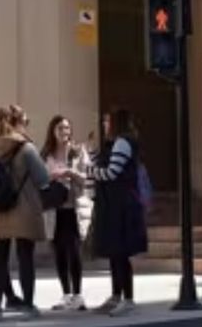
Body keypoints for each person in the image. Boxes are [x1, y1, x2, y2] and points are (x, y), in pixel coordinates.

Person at [0, 105, 50, 320]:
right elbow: (43, 178)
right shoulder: (26, 148)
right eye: (25, 122)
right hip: (24, 209)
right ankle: (27, 305)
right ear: (17, 123)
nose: (26, 126)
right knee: (25, 256)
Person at [86, 108, 148, 317]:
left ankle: (128, 298)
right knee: (114, 252)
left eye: (107, 121)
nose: (104, 125)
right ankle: (116, 296)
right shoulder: (114, 144)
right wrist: (92, 153)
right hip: (112, 204)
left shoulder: (123, 142)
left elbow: (112, 173)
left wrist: (86, 173)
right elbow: (105, 166)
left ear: (116, 123)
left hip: (121, 205)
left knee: (121, 253)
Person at [41, 115, 89, 312]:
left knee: (75, 251)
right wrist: (52, 175)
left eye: (67, 128)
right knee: (59, 251)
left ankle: (78, 295)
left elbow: (88, 177)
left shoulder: (78, 152)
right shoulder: (46, 154)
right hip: (54, 210)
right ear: (53, 131)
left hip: (74, 208)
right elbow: (40, 180)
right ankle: (66, 294)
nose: (64, 132)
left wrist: (71, 173)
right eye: (60, 128)